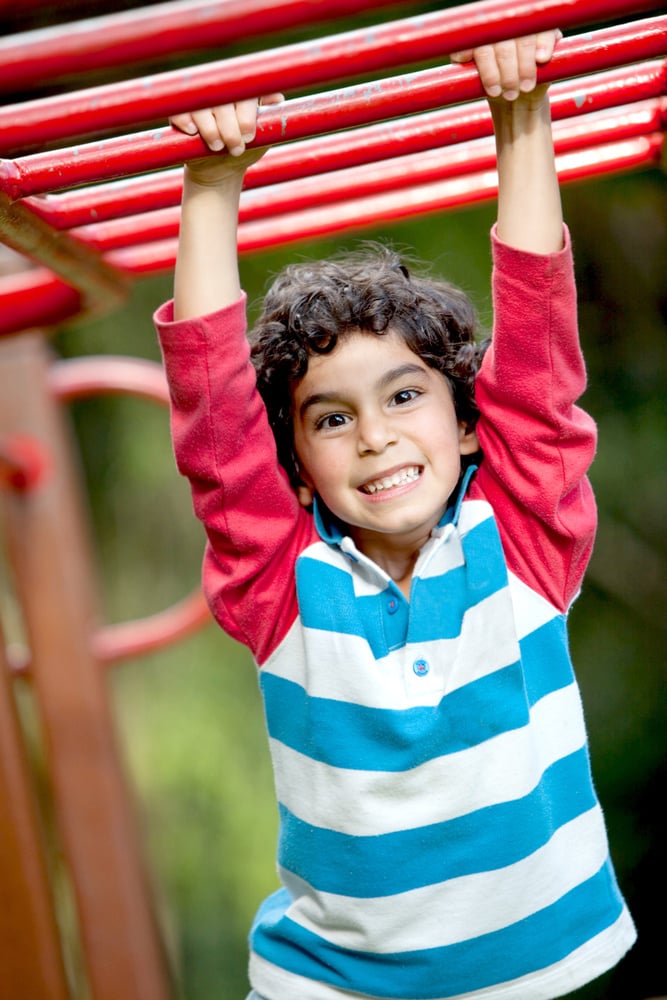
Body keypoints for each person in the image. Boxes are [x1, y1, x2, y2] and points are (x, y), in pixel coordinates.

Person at [156, 29, 636, 1000]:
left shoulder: (524, 545)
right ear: (293, 470)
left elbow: (540, 367)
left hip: (550, 971)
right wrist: (210, 189)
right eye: (332, 418)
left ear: (467, 426)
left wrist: (522, 116)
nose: (374, 435)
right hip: (332, 985)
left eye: (404, 396)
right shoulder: (284, 589)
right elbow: (215, 421)